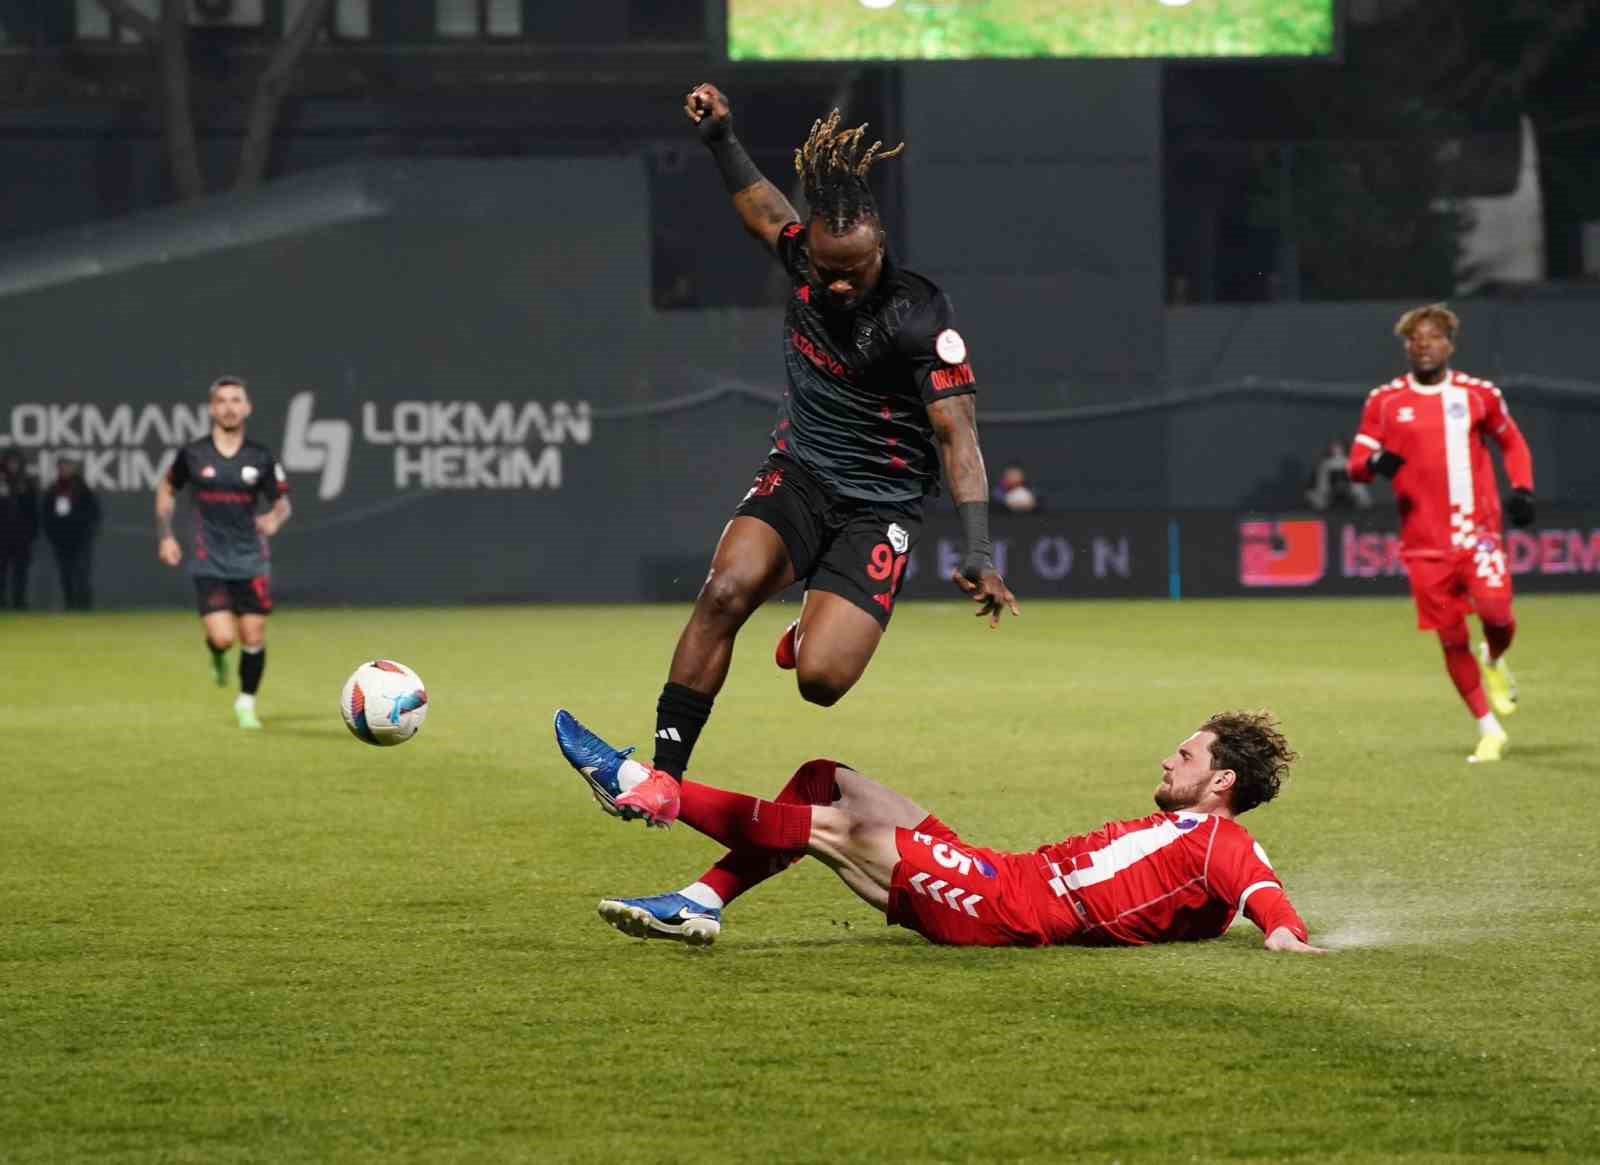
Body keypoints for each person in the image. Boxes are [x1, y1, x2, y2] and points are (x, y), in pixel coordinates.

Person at [606, 84, 1019, 829]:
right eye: (824, 269)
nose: (833, 283)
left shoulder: (921, 316)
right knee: (724, 591)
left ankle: (806, 634)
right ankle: (665, 773)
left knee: (822, 682)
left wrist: (980, 550)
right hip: (800, 472)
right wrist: (721, 139)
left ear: (880, 249)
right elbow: (765, 208)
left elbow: (958, 436)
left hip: (882, 504)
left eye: (851, 272)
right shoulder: (807, 258)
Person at [553, 708, 1324, 954]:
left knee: (837, 825)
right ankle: (701, 900)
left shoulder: (1221, 841)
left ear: (1221, 781)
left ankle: (644, 788)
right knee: (828, 775)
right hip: (1006, 871)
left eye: (1184, 755)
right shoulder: (1196, 838)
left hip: (1008, 906)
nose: (1167, 756)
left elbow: (1261, 890)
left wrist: (1285, 933)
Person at [1347, 303, 1535, 763]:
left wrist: (1524, 489)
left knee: (1497, 613)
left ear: (1449, 344)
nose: (1424, 345)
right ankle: (1488, 729)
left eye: (1433, 337)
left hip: (1479, 533)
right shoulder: (1385, 401)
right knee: (1451, 638)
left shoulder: (1478, 394)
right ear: (1407, 347)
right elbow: (1357, 464)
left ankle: (1493, 658)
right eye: (1416, 339)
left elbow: (1511, 440)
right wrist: (1373, 464)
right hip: (1424, 545)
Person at [156, 376, 291, 730]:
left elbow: (282, 503)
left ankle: (246, 703)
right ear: (212, 408)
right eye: (222, 401)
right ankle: (216, 653)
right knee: (223, 637)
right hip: (209, 557)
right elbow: (167, 489)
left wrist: (275, 519)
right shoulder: (193, 454)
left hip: (251, 558)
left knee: (253, 636)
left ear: (247, 408)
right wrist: (166, 535)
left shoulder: (260, 456)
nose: (229, 407)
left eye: (236, 400)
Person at [40, 455, 101, 610]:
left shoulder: (83, 488)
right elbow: (47, 515)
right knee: (65, 574)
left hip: (80, 539)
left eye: (68, 466)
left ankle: (84, 605)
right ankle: (70, 604)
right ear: (58, 469)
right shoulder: (53, 490)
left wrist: (86, 531)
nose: (65, 470)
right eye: (62, 467)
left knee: (81, 573)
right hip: (61, 540)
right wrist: (53, 534)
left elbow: (93, 513)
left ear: (73, 468)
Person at [0, 450, 40, 610]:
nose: (13, 465)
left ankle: (19, 602)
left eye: (15, 462)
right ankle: (1, 602)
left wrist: (31, 533)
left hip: (21, 537)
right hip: (1, 536)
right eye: (10, 462)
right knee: (1, 572)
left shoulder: (27, 482)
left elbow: (33, 511)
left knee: (20, 572)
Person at [1303, 439, 1371, 511]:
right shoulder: (1325, 465)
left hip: (1351, 501)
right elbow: (1322, 488)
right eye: (1334, 448)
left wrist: (1356, 494)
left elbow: (1359, 491)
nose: (1337, 450)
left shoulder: (1350, 464)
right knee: (1311, 495)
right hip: (1328, 501)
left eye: (1339, 447)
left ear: (1344, 449)